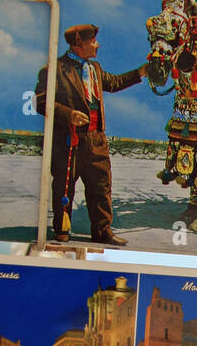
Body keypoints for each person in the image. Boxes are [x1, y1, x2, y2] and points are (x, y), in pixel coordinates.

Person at [35, 23, 147, 247]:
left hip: (97, 140)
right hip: (70, 140)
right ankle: (62, 229)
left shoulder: (94, 69)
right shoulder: (54, 69)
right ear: (79, 44)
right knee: (64, 186)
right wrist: (68, 115)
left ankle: (102, 230)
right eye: (93, 41)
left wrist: (140, 72)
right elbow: (41, 101)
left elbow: (114, 83)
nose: (97, 45)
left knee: (101, 187)